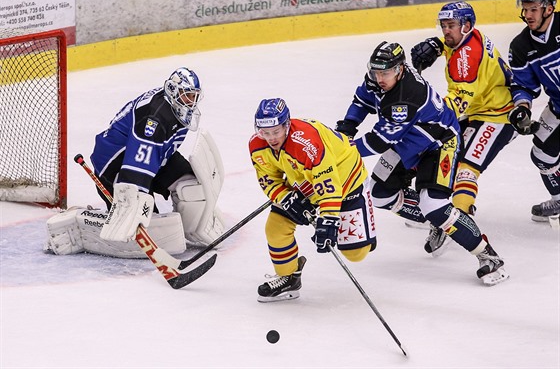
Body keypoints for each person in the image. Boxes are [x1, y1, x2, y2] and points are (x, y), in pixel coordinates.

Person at [335, 41, 509, 285]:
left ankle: (487, 255)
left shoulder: (406, 97)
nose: (379, 77)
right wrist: (347, 127)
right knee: (379, 194)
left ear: (400, 69)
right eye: (376, 71)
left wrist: (342, 151)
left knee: (433, 204)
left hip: (439, 143)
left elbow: (379, 141)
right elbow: (362, 101)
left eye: (385, 73)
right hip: (408, 140)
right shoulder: (377, 77)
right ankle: (439, 222)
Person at [44, 67, 225, 257]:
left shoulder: (175, 107)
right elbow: (136, 171)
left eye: (194, 96)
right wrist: (136, 205)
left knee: (191, 187)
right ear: (173, 91)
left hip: (156, 154)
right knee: (145, 222)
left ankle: (194, 229)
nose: (191, 102)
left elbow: (157, 149)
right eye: (187, 96)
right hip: (117, 166)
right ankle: (82, 218)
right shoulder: (154, 119)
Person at [410, 1, 517, 248]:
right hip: (479, 109)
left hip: (498, 115)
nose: (446, 31)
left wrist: (425, 112)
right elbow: (450, 44)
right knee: (442, 151)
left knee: (466, 169)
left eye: (451, 26)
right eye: (443, 26)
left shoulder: (465, 62)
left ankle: (458, 221)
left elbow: (456, 104)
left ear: (466, 26)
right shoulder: (467, 38)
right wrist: (437, 45)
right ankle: (441, 205)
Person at [249, 98, 377, 302]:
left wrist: (328, 219)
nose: (271, 138)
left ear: (287, 125)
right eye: (265, 132)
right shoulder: (257, 145)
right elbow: (268, 179)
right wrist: (285, 197)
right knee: (275, 228)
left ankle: (365, 216)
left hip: (346, 181)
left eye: (276, 132)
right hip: (304, 182)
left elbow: (329, 184)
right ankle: (288, 278)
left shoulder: (306, 142)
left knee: (356, 253)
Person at [508, 0, 560, 225]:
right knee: (541, 154)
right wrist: (522, 108)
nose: (528, 15)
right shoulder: (521, 46)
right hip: (559, 107)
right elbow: (524, 86)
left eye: (533, 9)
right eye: (525, 9)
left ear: (549, 8)